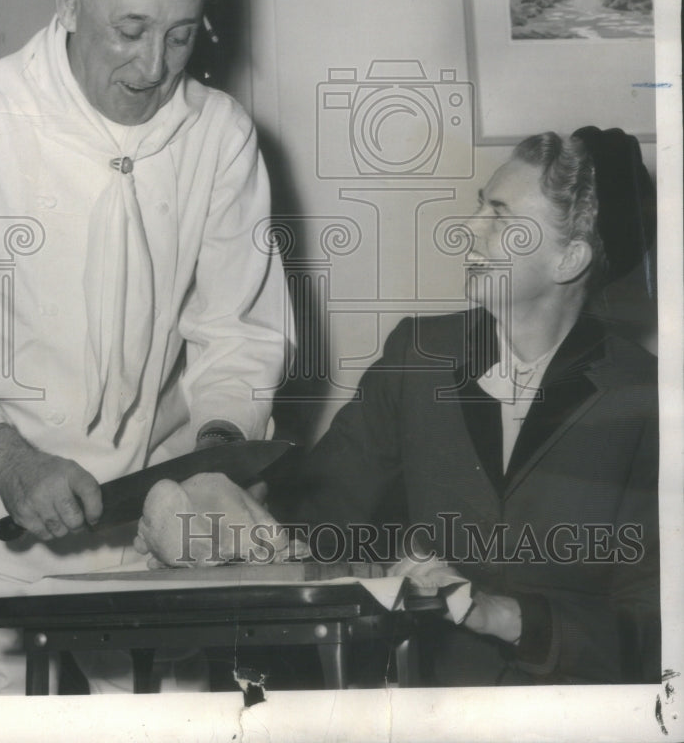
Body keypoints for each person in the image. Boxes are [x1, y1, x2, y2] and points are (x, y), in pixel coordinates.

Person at [0, 0, 290, 695]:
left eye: (179, 36)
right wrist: (10, 459)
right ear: (69, 1)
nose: (153, 67)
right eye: (129, 30)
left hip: (148, 532)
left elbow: (237, 331)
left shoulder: (218, 136)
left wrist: (215, 450)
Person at [138, 127, 659, 687]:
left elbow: (651, 630)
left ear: (569, 258)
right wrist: (227, 520)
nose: (469, 227)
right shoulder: (419, 356)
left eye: (501, 217)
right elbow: (320, 514)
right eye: (479, 203)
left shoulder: (645, 399)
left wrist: (506, 616)